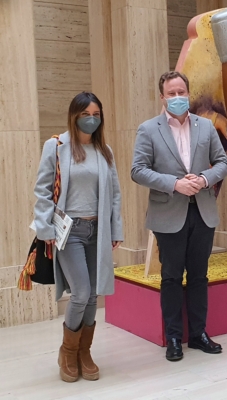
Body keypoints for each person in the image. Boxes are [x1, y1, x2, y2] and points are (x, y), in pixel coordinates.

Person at [131, 71, 227, 362]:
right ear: (162, 97)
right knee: (172, 277)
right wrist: (174, 183)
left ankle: (198, 334)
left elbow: (223, 161)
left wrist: (203, 179)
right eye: (171, 93)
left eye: (181, 92)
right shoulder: (148, 129)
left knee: (199, 276)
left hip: (202, 211)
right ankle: (174, 337)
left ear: (188, 93)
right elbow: (138, 170)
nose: (177, 98)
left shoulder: (206, 126)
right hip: (168, 212)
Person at [34, 92, 124, 382]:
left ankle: (84, 352)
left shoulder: (104, 151)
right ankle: (67, 351)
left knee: (93, 294)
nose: (91, 119)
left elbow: (114, 195)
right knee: (81, 293)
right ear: (74, 116)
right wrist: (45, 229)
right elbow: (43, 189)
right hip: (69, 231)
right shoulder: (56, 146)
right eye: (85, 114)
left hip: (97, 230)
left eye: (96, 114)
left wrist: (116, 229)